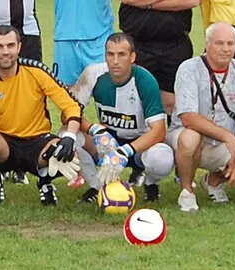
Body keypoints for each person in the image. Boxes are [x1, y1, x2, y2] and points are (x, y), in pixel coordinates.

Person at [0, 24, 84, 206]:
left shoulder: (36, 71)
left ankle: (44, 180)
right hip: (4, 146)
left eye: (10, 45)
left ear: (19, 47)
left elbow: (71, 105)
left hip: (37, 142)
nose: (5, 52)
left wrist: (70, 136)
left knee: (72, 156)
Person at [70, 32, 174, 202]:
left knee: (162, 158)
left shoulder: (145, 80)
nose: (115, 61)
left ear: (132, 57)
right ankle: (97, 187)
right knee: (68, 135)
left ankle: (151, 183)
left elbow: (159, 131)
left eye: (122, 54)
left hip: (139, 145)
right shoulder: (93, 74)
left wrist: (125, 151)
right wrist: (94, 129)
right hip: (106, 141)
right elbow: (69, 112)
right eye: (110, 54)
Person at [169, 22, 235, 212]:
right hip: (186, 136)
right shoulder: (189, 68)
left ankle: (213, 182)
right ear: (207, 44)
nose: (225, 49)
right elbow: (188, 118)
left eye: (230, 43)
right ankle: (187, 191)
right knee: (190, 137)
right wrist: (229, 137)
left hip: (218, 143)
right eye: (219, 43)